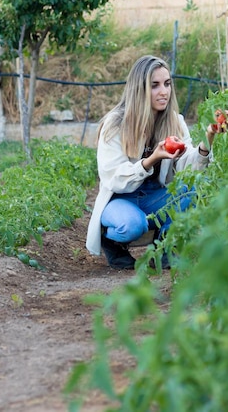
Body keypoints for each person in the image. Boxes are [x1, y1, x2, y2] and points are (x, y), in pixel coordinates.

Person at [85, 54, 220, 270]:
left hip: (155, 196)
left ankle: (166, 245)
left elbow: (187, 165)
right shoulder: (116, 124)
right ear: (140, 89)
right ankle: (111, 242)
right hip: (121, 199)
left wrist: (207, 141)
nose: (164, 91)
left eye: (167, 84)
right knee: (132, 224)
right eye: (155, 85)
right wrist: (151, 159)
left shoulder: (174, 121)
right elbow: (114, 178)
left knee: (191, 189)